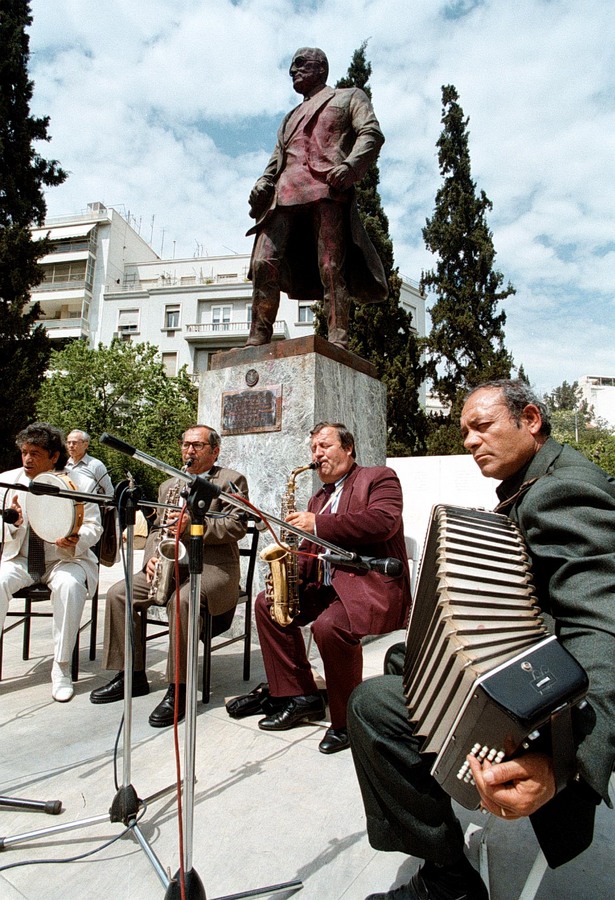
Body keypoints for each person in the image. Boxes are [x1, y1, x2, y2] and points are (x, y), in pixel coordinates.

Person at [348, 379, 615, 900]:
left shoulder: (563, 490)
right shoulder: (535, 480)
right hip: (540, 660)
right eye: (465, 432)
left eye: (482, 426)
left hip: (553, 705)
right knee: (406, 658)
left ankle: (448, 882)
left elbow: (603, 627)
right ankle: (442, 780)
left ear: (530, 420)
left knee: (371, 707)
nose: (470, 440)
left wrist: (566, 763)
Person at [254, 421, 411, 754]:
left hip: (367, 585)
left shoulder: (379, 477)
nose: (317, 454)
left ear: (348, 448)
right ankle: (299, 696)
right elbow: (312, 549)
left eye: (325, 446)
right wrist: (291, 570)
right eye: (313, 448)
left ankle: (346, 722)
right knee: (267, 604)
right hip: (326, 587)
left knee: (329, 627)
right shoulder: (318, 497)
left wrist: (318, 524)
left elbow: (382, 522)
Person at [90, 425, 249, 727]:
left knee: (182, 602)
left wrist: (195, 526)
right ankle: (131, 674)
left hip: (213, 569)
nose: (189, 450)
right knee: (119, 593)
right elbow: (155, 531)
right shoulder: (168, 485)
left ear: (215, 451)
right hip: (170, 567)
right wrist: (151, 558)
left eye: (198, 445)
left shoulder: (230, 480)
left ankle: (179, 688)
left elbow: (237, 525)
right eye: (186, 444)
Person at [245, 47, 387, 350]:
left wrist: (350, 167)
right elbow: (276, 161)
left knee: (331, 267)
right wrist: (263, 182)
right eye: (291, 67)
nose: (293, 71)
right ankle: (258, 335)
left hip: (326, 190)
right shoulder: (289, 118)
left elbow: (371, 134)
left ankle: (338, 339)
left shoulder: (348, 97)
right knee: (262, 262)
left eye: (300, 64)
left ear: (321, 68)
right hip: (283, 195)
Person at [0, 423, 102, 702]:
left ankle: (62, 666)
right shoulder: (7, 482)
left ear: (54, 456)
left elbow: (94, 527)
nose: (27, 459)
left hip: (64, 559)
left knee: (69, 586)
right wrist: (11, 523)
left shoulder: (79, 484)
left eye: (35, 453)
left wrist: (75, 538)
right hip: (21, 559)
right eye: (24, 452)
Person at [65, 430, 114, 495]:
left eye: (75, 443)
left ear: (85, 445)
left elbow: (109, 491)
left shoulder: (96, 465)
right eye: (68, 442)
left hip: (90, 501)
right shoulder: (62, 464)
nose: (71, 445)